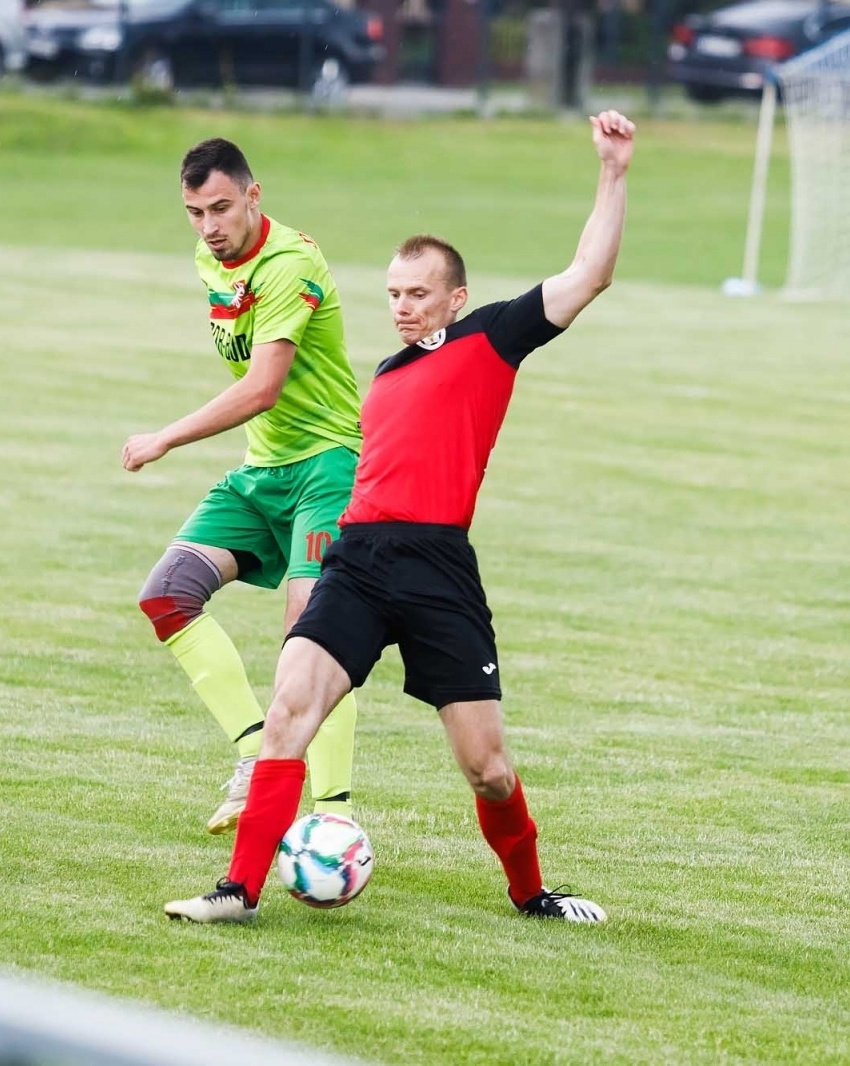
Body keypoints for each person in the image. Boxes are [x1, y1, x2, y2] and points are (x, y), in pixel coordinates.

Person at [164, 111, 636, 923]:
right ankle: (238, 890)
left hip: (437, 569)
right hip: (357, 559)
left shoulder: (492, 337)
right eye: (391, 294)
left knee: (486, 766)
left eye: (418, 294)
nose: (403, 307)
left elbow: (587, 273)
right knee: (289, 711)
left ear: (455, 295)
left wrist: (612, 171)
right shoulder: (384, 373)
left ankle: (533, 895)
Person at [123, 138, 363, 834]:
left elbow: (263, 389)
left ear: (254, 197)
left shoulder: (289, 264)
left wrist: (166, 436)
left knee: (312, 640)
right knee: (167, 594)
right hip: (264, 471)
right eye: (195, 212)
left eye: (221, 208)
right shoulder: (213, 259)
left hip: (327, 466)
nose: (208, 227)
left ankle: (332, 818)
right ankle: (258, 754)